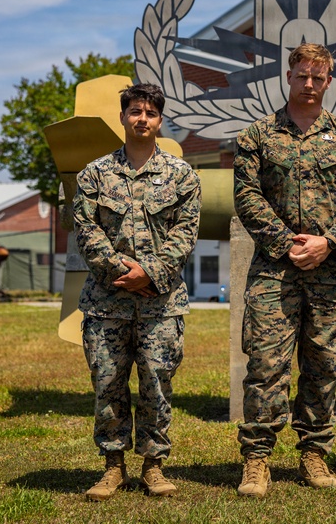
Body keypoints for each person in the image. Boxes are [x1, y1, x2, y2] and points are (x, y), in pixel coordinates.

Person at [232, 43, 336, 497]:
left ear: (329, 81)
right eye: (302, 75)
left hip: (331, 272)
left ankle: (314, 453)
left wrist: (328, 242)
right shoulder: (257, 136)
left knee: (324, 365)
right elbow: (247, 196)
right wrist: (286, 242)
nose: (309, 84)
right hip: (275, 271)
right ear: (288, 75)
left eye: (318, 77)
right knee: (265, 365)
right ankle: (257, 459)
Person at [73, 83, 201, 500]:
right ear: (123, 116)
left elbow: (186, 233)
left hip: (160, 305)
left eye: (149, 112)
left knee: (156, 386)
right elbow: (86, 230)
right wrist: (119, 271)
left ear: (160, 120)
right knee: (108, 385)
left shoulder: (182, 175)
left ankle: (153, 467)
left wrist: (151, 273)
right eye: (134, 111)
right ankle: (113, 468)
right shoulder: (94, 174)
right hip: (107, 304)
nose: (141, 118)